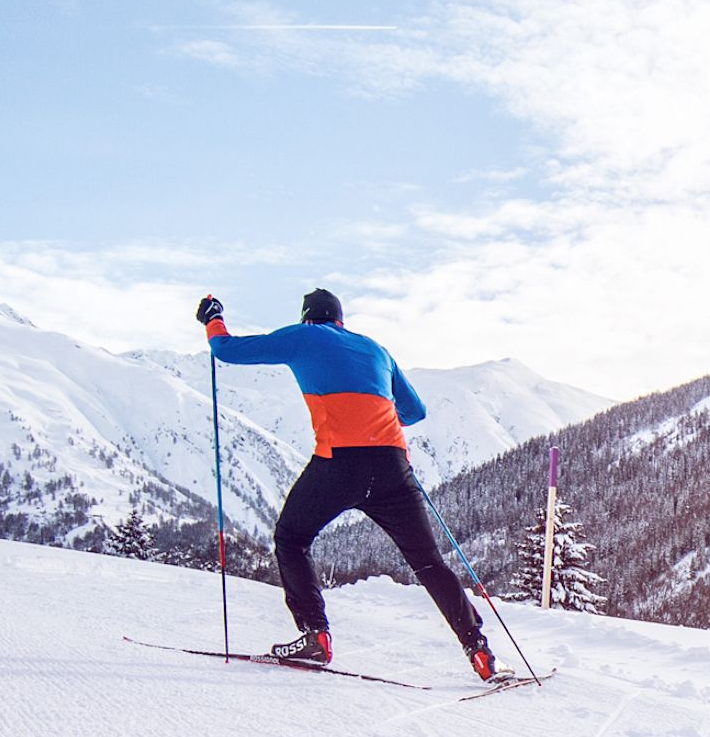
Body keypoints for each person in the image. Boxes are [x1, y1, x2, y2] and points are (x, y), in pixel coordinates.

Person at [195, 289, 496, 678]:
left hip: (339, 464)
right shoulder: (376, 349)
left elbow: (226, 350)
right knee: (428, 561)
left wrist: (212, 318)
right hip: (392, 465)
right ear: (340, 319)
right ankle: (480, 651)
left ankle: (315, 636)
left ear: (308, 318)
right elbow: (415, 412)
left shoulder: (303, 337)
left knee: (291, 538)